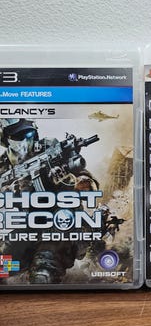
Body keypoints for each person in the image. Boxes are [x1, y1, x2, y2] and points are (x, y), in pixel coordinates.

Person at [0, 118, 99, 284]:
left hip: (60, 223)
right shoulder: (3, 165)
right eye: (18, 136)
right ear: (5, 140)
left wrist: (72, 181)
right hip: (26, 227)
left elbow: (86, 180)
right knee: (4, 267)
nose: (26, 139)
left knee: (44, 272)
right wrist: (10, 191)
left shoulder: (50, 148)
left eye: (29, 133)